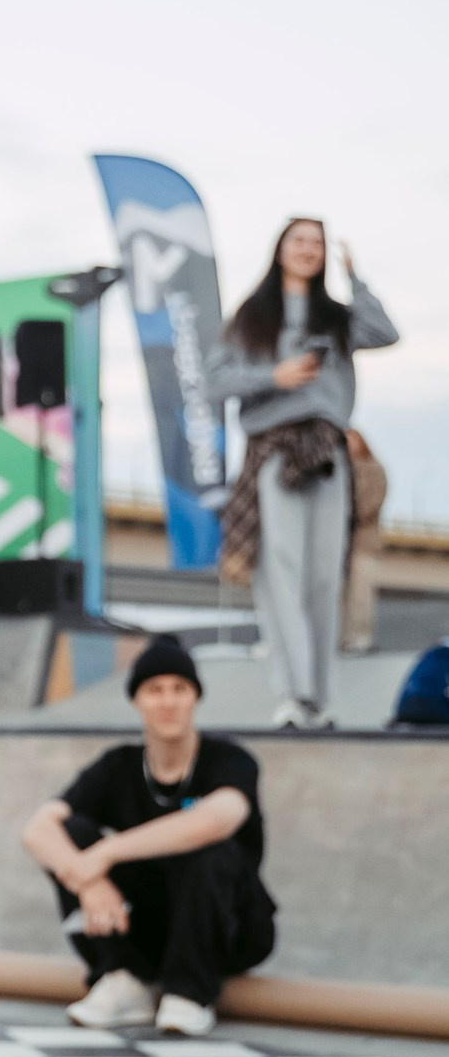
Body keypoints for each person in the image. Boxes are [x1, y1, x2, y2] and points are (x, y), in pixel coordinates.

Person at [21, 633, 275, 1038]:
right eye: (155, 690)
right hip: (150, 928)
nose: (168, 701)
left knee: (211, 851)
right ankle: (123, 977)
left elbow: (216, 820)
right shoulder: (118, 765)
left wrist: (107, 853)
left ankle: (190, 992)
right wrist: (89, 881)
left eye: (180, 689)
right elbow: (38, 829)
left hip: (231, 928)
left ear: (196, 697)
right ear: (137, 700)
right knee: (71, 834)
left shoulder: (230, 760)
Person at [208, 219, 399, 728]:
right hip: (274, 448)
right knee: (281, 571)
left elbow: (386, 333)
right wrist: (274, 376)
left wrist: (356, 277)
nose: (309, 249)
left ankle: (320, 698)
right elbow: (215, 381)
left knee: (323, 576)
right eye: (300, 240)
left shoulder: (337, 317)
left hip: (326, 451)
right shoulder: (251, 317)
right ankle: (293, 693)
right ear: (281, 249)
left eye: (317, 242)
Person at [341, 428, 387, 654]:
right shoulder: (340, 471)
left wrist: (346, 513)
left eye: (352, 441)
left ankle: (361, 637)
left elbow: (370, 504)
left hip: (363, 543)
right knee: (340, 594)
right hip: (341, 545)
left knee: (361, 593)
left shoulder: (374, 470)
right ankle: (342, 638)